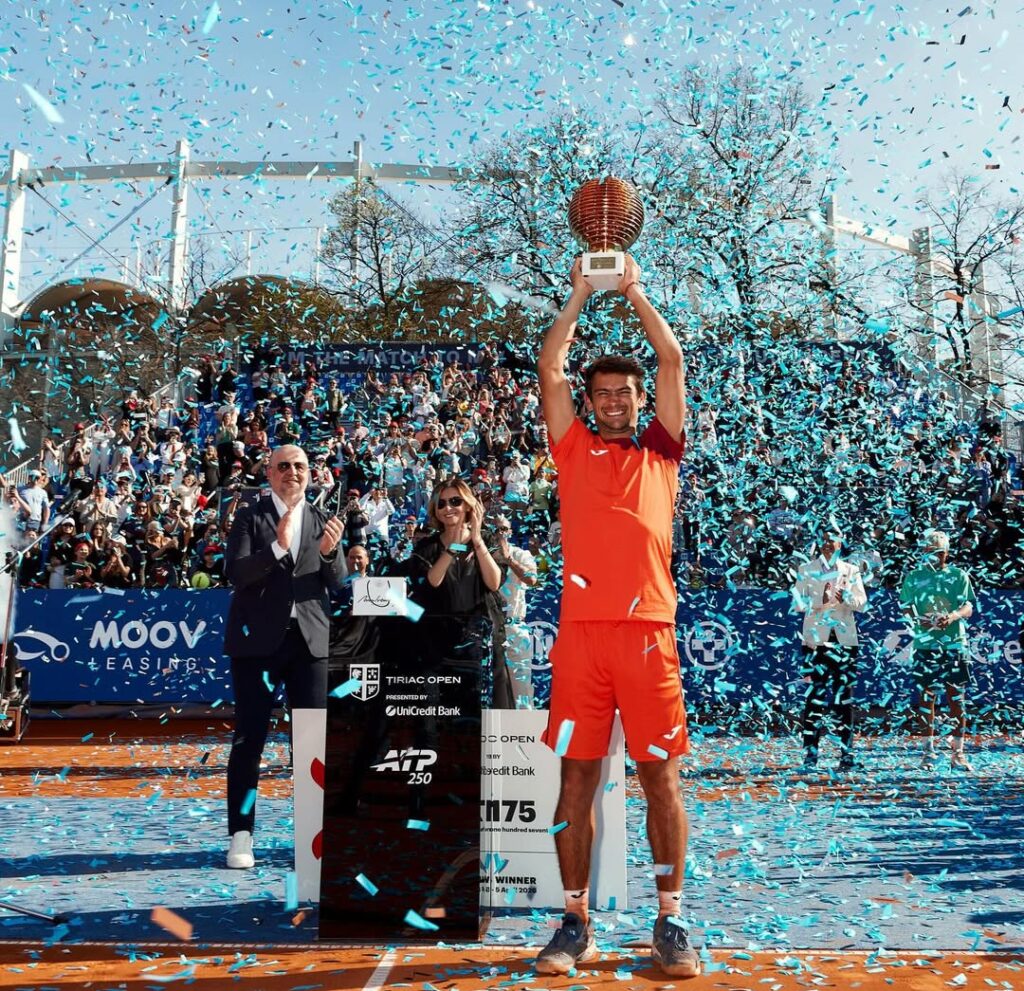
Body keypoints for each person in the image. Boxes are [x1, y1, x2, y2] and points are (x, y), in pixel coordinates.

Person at [535, 255, 697, 978]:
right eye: (600, 393)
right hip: (583, 638)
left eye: (623, 393)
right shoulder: (569, 447)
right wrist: (578, 293)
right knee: (575, 779)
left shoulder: (664, 448)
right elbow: (550, 366)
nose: (611, 402)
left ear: (639, 399)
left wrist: (630, 291)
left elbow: (672, 355)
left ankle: (671, 918)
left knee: (660, 780)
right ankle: (575, 921)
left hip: (650, 634)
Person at [222, 444, 346, 869]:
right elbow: (235, 573)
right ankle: (241, 834)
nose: (292, 472)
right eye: (284, 466)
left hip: (310, 643)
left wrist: (331, 553)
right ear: (269, 473)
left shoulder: (321, 519)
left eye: (300, 466)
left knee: (312, 744)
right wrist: (276, 548)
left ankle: (315, 834)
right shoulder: (248, 515)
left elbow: (338, 582)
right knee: (249, 739)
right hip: (256, 644)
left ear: (310, 474)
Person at [404, 477, 510, 707]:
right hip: (440, 644)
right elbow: (432, 580)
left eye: (455, 501)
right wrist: (454, 548)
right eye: (441, 503)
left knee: (488, 712)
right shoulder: (427, 546)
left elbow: (494, 582)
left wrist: (477, 540)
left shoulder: (489, 540)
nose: (447, 508)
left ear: (469, 505)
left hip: (482, 641)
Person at [899, 529, 977, 770]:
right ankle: (928, 752)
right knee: (926, 699)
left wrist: (952, 617)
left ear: (948, 553)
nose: (936, 557)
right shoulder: (913, 576)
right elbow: (905, 607)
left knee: (957, 699)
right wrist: (919, 619)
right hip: (925, 645)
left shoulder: (959, 575)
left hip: (954, 645)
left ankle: (958, 753)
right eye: (931, 552)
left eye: (940, 553)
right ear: (924, 553)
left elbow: (968, 607)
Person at [791, 526, 868, 770]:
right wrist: (820, 600)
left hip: (844, 641)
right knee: (814, 699)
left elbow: (861, 604)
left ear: (840, 543)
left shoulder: (851, 570)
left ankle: (846, 756)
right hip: (815, 642)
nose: (827, 543)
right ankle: (810, 755)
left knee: (843, 700)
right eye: (824, 539)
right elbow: (798, 604)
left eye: (832, 539)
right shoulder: (806, 570)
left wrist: (845, 596)